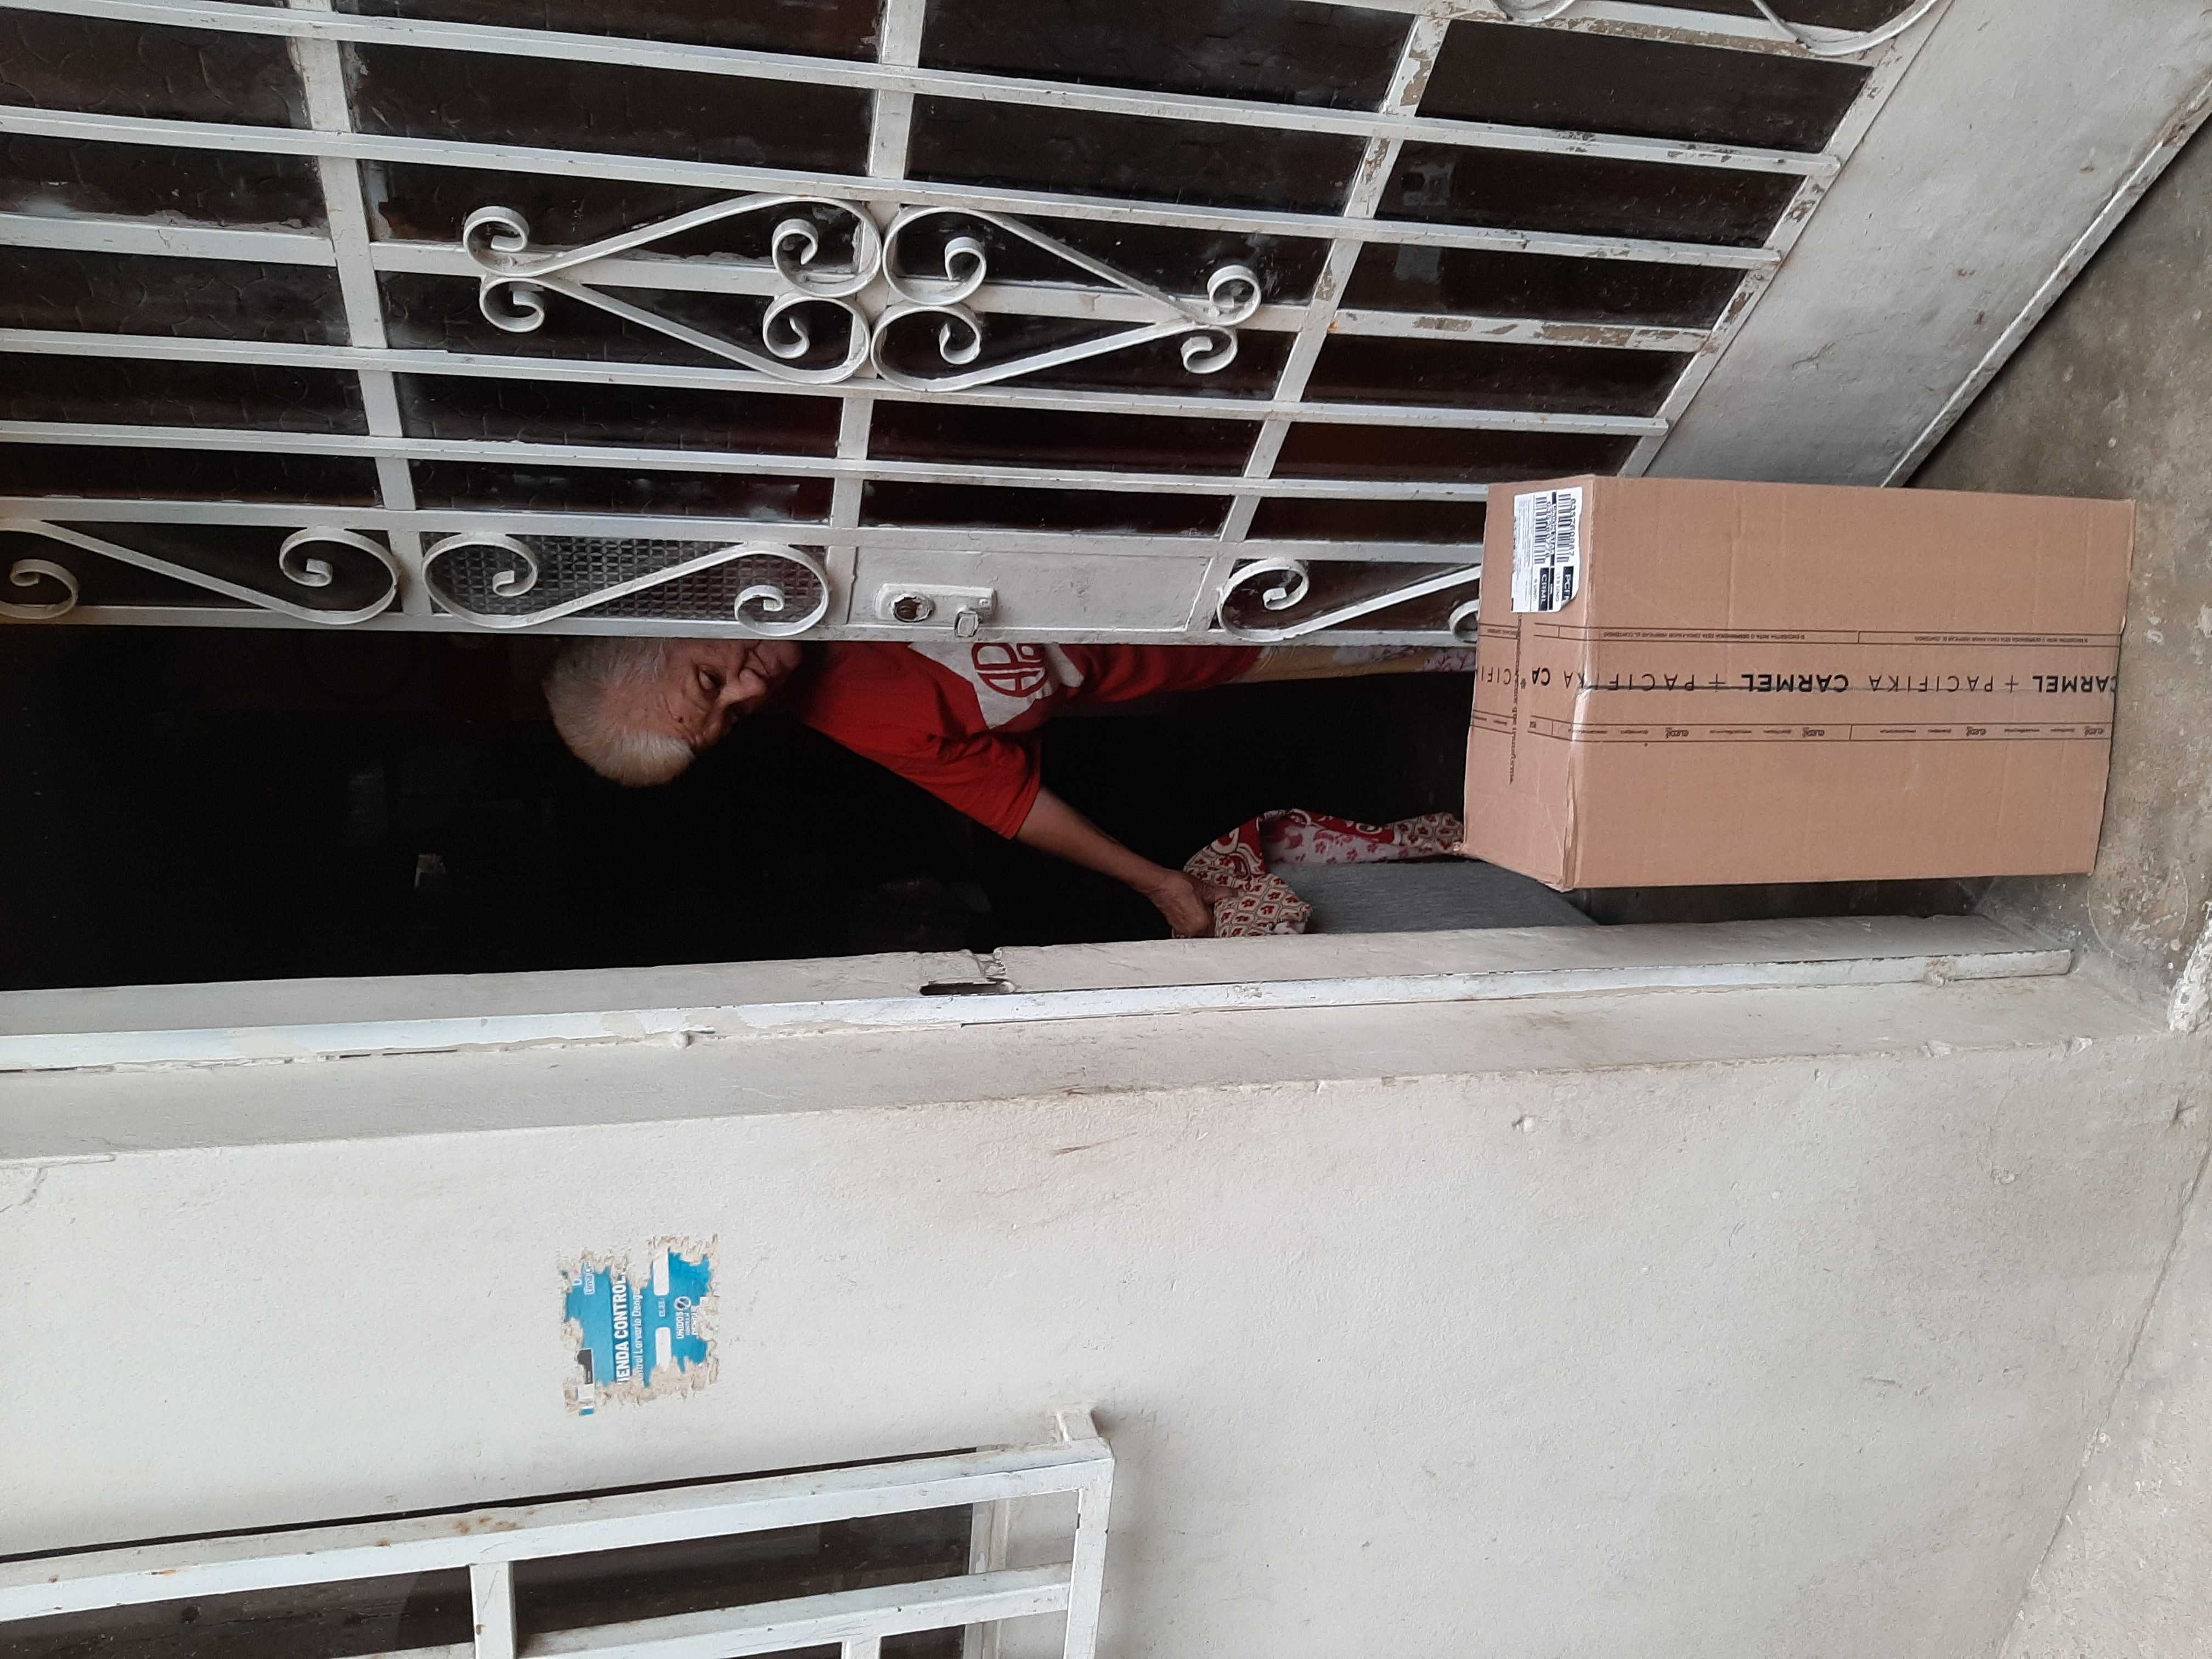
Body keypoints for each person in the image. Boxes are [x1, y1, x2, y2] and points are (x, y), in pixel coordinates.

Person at [545, 637, 1473, 938]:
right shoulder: (842, 713)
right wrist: (1155, 882)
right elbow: (1007, 801)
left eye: (710, 680)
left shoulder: (816, 509)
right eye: (729, 718)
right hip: (1229, 647)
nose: (749, 690)